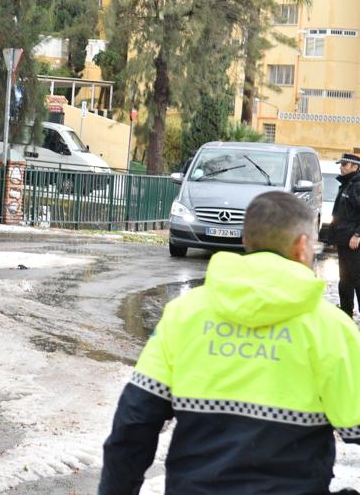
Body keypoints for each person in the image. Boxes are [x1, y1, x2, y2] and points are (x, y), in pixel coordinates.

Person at [99, 191, 360, 495]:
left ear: (246, 241)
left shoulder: (185, 314)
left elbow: (134, 424)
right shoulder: (331, 328)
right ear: (302, 246)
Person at [329, 152, 360, 317]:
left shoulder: (357, 185)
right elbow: (339, 214)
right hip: (343, 238)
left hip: (353, 240)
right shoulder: (347, 184)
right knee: (345, 277)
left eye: (344, 165)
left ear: (355, 167)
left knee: (356, 278)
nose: (341, 167)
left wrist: (357, 234)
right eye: (340, 164)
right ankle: (346, 310)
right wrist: (333, 237)